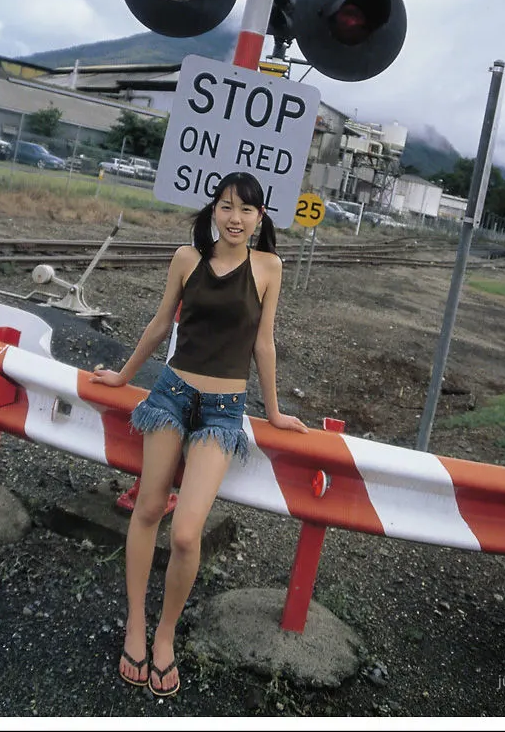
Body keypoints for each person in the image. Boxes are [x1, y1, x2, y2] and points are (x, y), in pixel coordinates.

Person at [89, 170, 308, 699]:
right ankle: (136, 629)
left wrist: (274, 413)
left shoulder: (269, 267)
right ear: (214, 209)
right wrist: (122, 377)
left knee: (187, 532)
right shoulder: (187, 259)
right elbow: (161, 324)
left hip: (223, 410)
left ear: (260, 219)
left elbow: (264, 345)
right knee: (146, 509)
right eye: (226, 206)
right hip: (169, 397)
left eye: (247, 210)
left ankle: (165, 635)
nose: (235, 218)